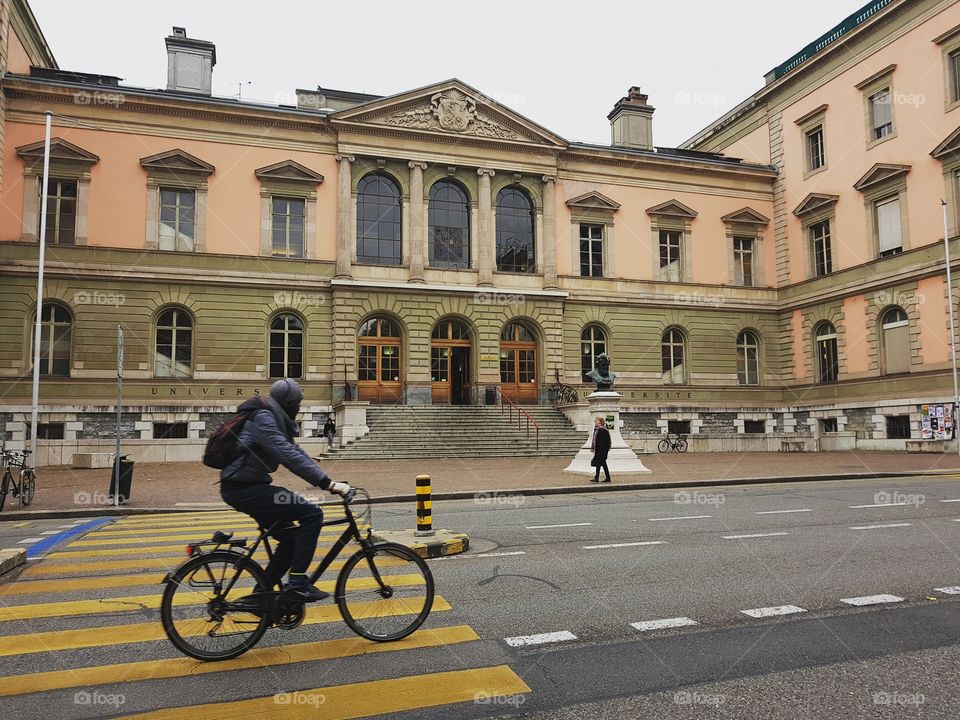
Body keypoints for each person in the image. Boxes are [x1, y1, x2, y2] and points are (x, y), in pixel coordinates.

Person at [219, 378, 351, 602]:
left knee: (290, 540)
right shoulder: (264, 418)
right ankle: (298, 583)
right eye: (297, 403)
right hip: (244, 490)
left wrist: (329, 480)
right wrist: (327, 484)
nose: (299, 408)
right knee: (312, 514)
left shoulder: (274, 418)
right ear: (287, 403)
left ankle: (262, 594)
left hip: (252, 487)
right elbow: (287, 455)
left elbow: (295, 451)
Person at [591, 415, 611, 483]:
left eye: (597, 421)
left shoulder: (602, 430)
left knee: (600, 464)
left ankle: (598, 478)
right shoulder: (597, 429)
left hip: (601, 450)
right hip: (599, 449)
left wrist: (599, 448)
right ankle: (605, 478)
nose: (595, 422)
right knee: (601, 464)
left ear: (600, 422)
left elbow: (605, 441)